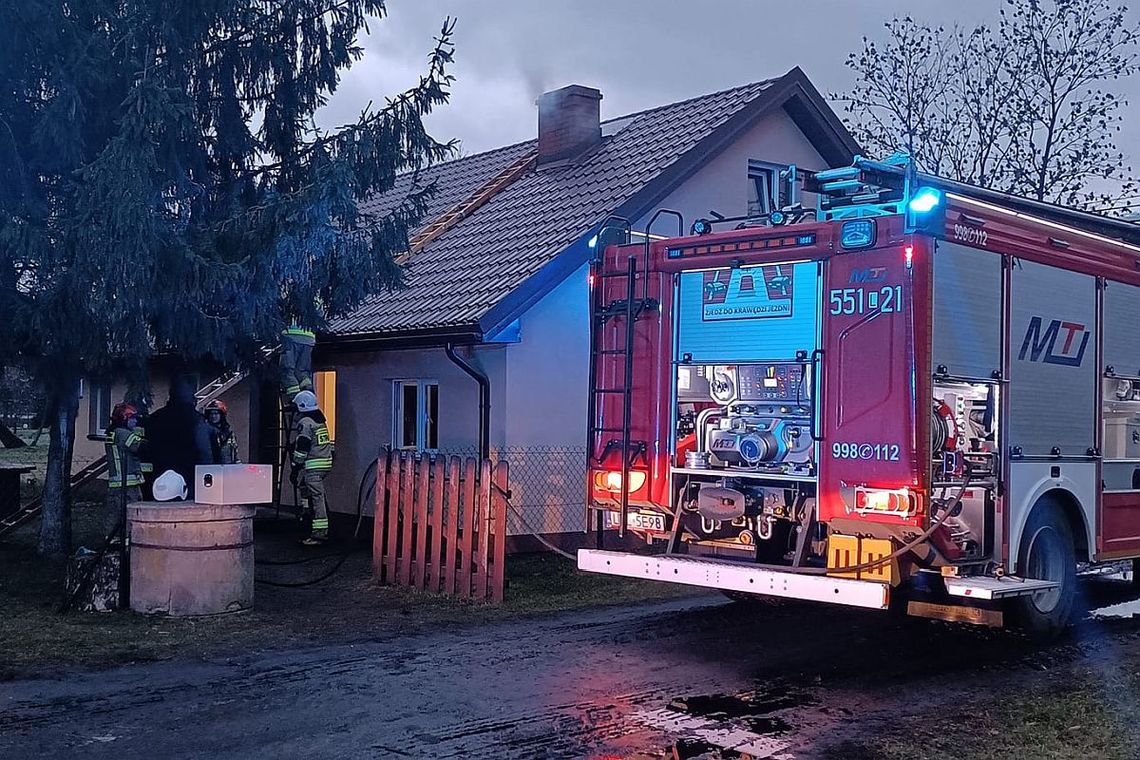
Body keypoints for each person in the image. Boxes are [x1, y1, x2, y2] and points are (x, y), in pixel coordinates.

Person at [144, 375, 213, 499]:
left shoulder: (155, 418)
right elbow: (205, 451)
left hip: (157, 479)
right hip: (188, 478)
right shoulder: (196, 420)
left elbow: (145, 448)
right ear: (192, 397)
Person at [290, 390, 334, 545]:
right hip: (324, 463)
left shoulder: (305, 423)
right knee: (305, 487)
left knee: (317, 497)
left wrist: (295, 467)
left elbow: (303, 448)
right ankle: (307, 514)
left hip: (314, 465)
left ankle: (319, 533)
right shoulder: (319, 420)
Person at [103, 402, 145, 540]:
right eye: (132, 418)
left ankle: (112, 547)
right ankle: (126, 550)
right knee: (130, 519)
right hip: (126, 486)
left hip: (120, 485)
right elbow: (139, 447)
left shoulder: (114, 431)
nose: (135, 421)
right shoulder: (122, 433)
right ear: (124, 418)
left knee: (115, 519)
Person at [279, 323, 315, 400]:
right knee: (302, 372)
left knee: (287, 370)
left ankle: (295, 397)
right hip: (309, 338)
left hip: (290, 336)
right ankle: (308, 394)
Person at [203, 399, 240, 464]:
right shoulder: (204, 433)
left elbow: (234, 452)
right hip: (209, 468)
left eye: (216, 413)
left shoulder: (229, 433)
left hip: (226, 468)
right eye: (211, 414)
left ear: (221, 415)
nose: (213, 416)